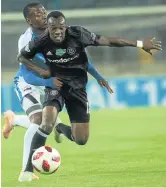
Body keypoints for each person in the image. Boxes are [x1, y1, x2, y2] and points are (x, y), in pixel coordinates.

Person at [18, 10, 162, 181]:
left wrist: (139, 44)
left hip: (78, 89)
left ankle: (61, 129)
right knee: (46, 122)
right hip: (56, 86)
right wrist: (42, 72)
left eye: (61, 28)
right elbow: (22, 57)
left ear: (65, 26)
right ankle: (27, 171)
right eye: (52, 28)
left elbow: (109, 41)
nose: (57, 31)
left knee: (81, 139)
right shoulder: (40, 41)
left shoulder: (78, 34)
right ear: (48, 28)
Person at [2, 3, 113, 182]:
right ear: (28, 20)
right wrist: (48, 80)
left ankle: (19, 120)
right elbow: (26, 72)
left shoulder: (61, 32)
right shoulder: (26, 40)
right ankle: (26, 171)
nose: (43, 16)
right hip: (29, 82)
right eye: (38, 14)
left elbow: (80, 60)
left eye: (44, 12)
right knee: (38, 120)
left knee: (50, 123)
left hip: (50, 80)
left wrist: (98, 76)